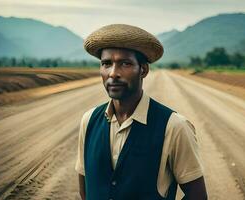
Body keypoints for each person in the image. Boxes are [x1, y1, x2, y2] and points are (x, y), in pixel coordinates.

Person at [75, 24, 207, 200]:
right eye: (106, 63)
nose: (113, 73)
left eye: (125, 63)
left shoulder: (174, 127)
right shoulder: (89, 120)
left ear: (143, 70)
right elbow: (86, 190)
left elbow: (197, 196)